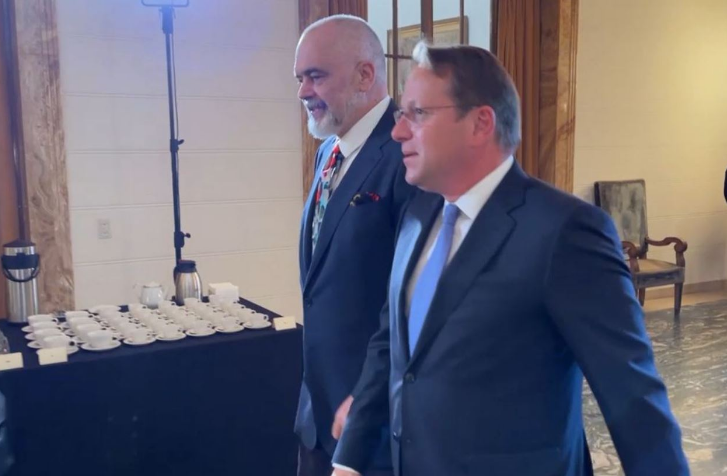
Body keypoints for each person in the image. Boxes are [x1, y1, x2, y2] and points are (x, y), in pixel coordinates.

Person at [332, 43, 689, 476]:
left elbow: (633, 397)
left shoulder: (564, 231)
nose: (398, 132)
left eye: (418, 114)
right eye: (400, 115)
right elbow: (391, 343)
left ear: (480, 123)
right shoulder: (418, 212)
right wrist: (349, 459)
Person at [293, 14, 414, 476]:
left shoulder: (408, 155)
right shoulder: (329, 151)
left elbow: (410, 301)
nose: (303, 92)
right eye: (300, 78)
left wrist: (368, 399)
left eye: (316, 76)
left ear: (365, 75)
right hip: (317, 415)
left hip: (373, 422)